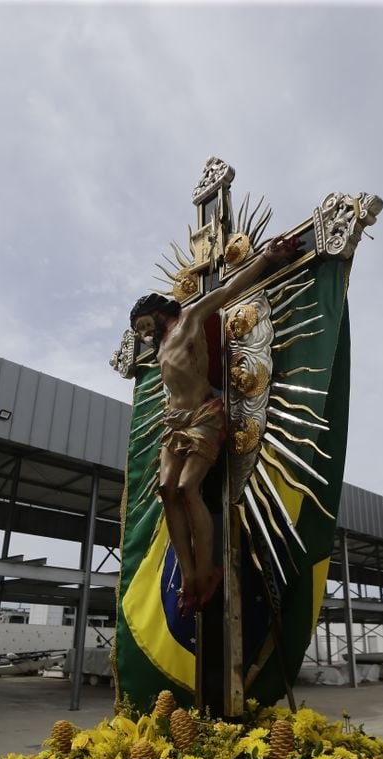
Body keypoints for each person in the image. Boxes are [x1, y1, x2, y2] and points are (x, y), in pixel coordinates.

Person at [129, 234, 301, 612]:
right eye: (139, 331)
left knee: (189, 488)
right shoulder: (157, 347)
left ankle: (206, 569)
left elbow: (227, 291)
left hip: (205, 413)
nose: (143, 335)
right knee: (166, 491)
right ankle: (189, 575)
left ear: (159, 312)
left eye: (143, 325)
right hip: (174, 422)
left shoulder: (189, 318)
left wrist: (266, 259)